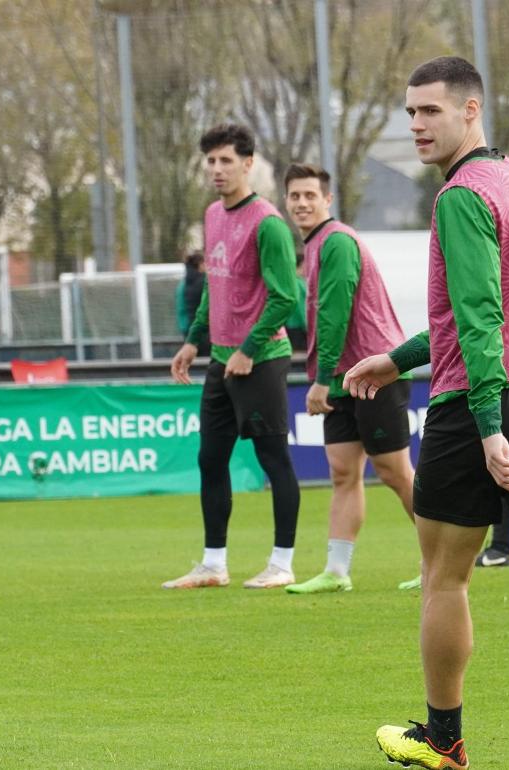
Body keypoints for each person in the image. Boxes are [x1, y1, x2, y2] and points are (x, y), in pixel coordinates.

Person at [345, 56, 509, 770]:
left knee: (445, 577)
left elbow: (479, 315)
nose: (415, 125)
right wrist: (397, 358)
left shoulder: (461, 196)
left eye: (429, 111)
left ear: (471, 110)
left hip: (478, 405)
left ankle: (444, 739)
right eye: (409, 113)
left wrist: (490, 425)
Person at [163, 123, 301, 591]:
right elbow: (214, 291)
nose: (217, 169)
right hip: (222, 360)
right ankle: (213, 564)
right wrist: (193, 341)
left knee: (273, 458)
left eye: (226, 161)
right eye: (211, 161)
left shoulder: (268, 223)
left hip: (261, 358)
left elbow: (286, 299)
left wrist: (248, 349)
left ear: (248, 164)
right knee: (210, 458)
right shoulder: (213, 215)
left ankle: (282, 564)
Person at [276, 162, 421, 594]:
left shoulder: (337, 242)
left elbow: (335, 314)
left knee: (395, 472)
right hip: (344, 376)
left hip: (375, 371)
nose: (301, 202)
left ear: (327, 200)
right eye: (294, 195)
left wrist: (319, 379)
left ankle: (445, 559)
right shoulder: (317, 244)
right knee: (343, 472)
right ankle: (337, 571)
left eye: (309, 195)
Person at [175, 251, 209, 356]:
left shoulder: (182, 284)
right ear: (201, 264)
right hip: (203, 333)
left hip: (187, 331)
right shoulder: (204, 282)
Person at [286, 250, 309, 351]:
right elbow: (301, 309)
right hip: (298, 328)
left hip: (287, 327)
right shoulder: (300, 284)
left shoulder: (287, 281)